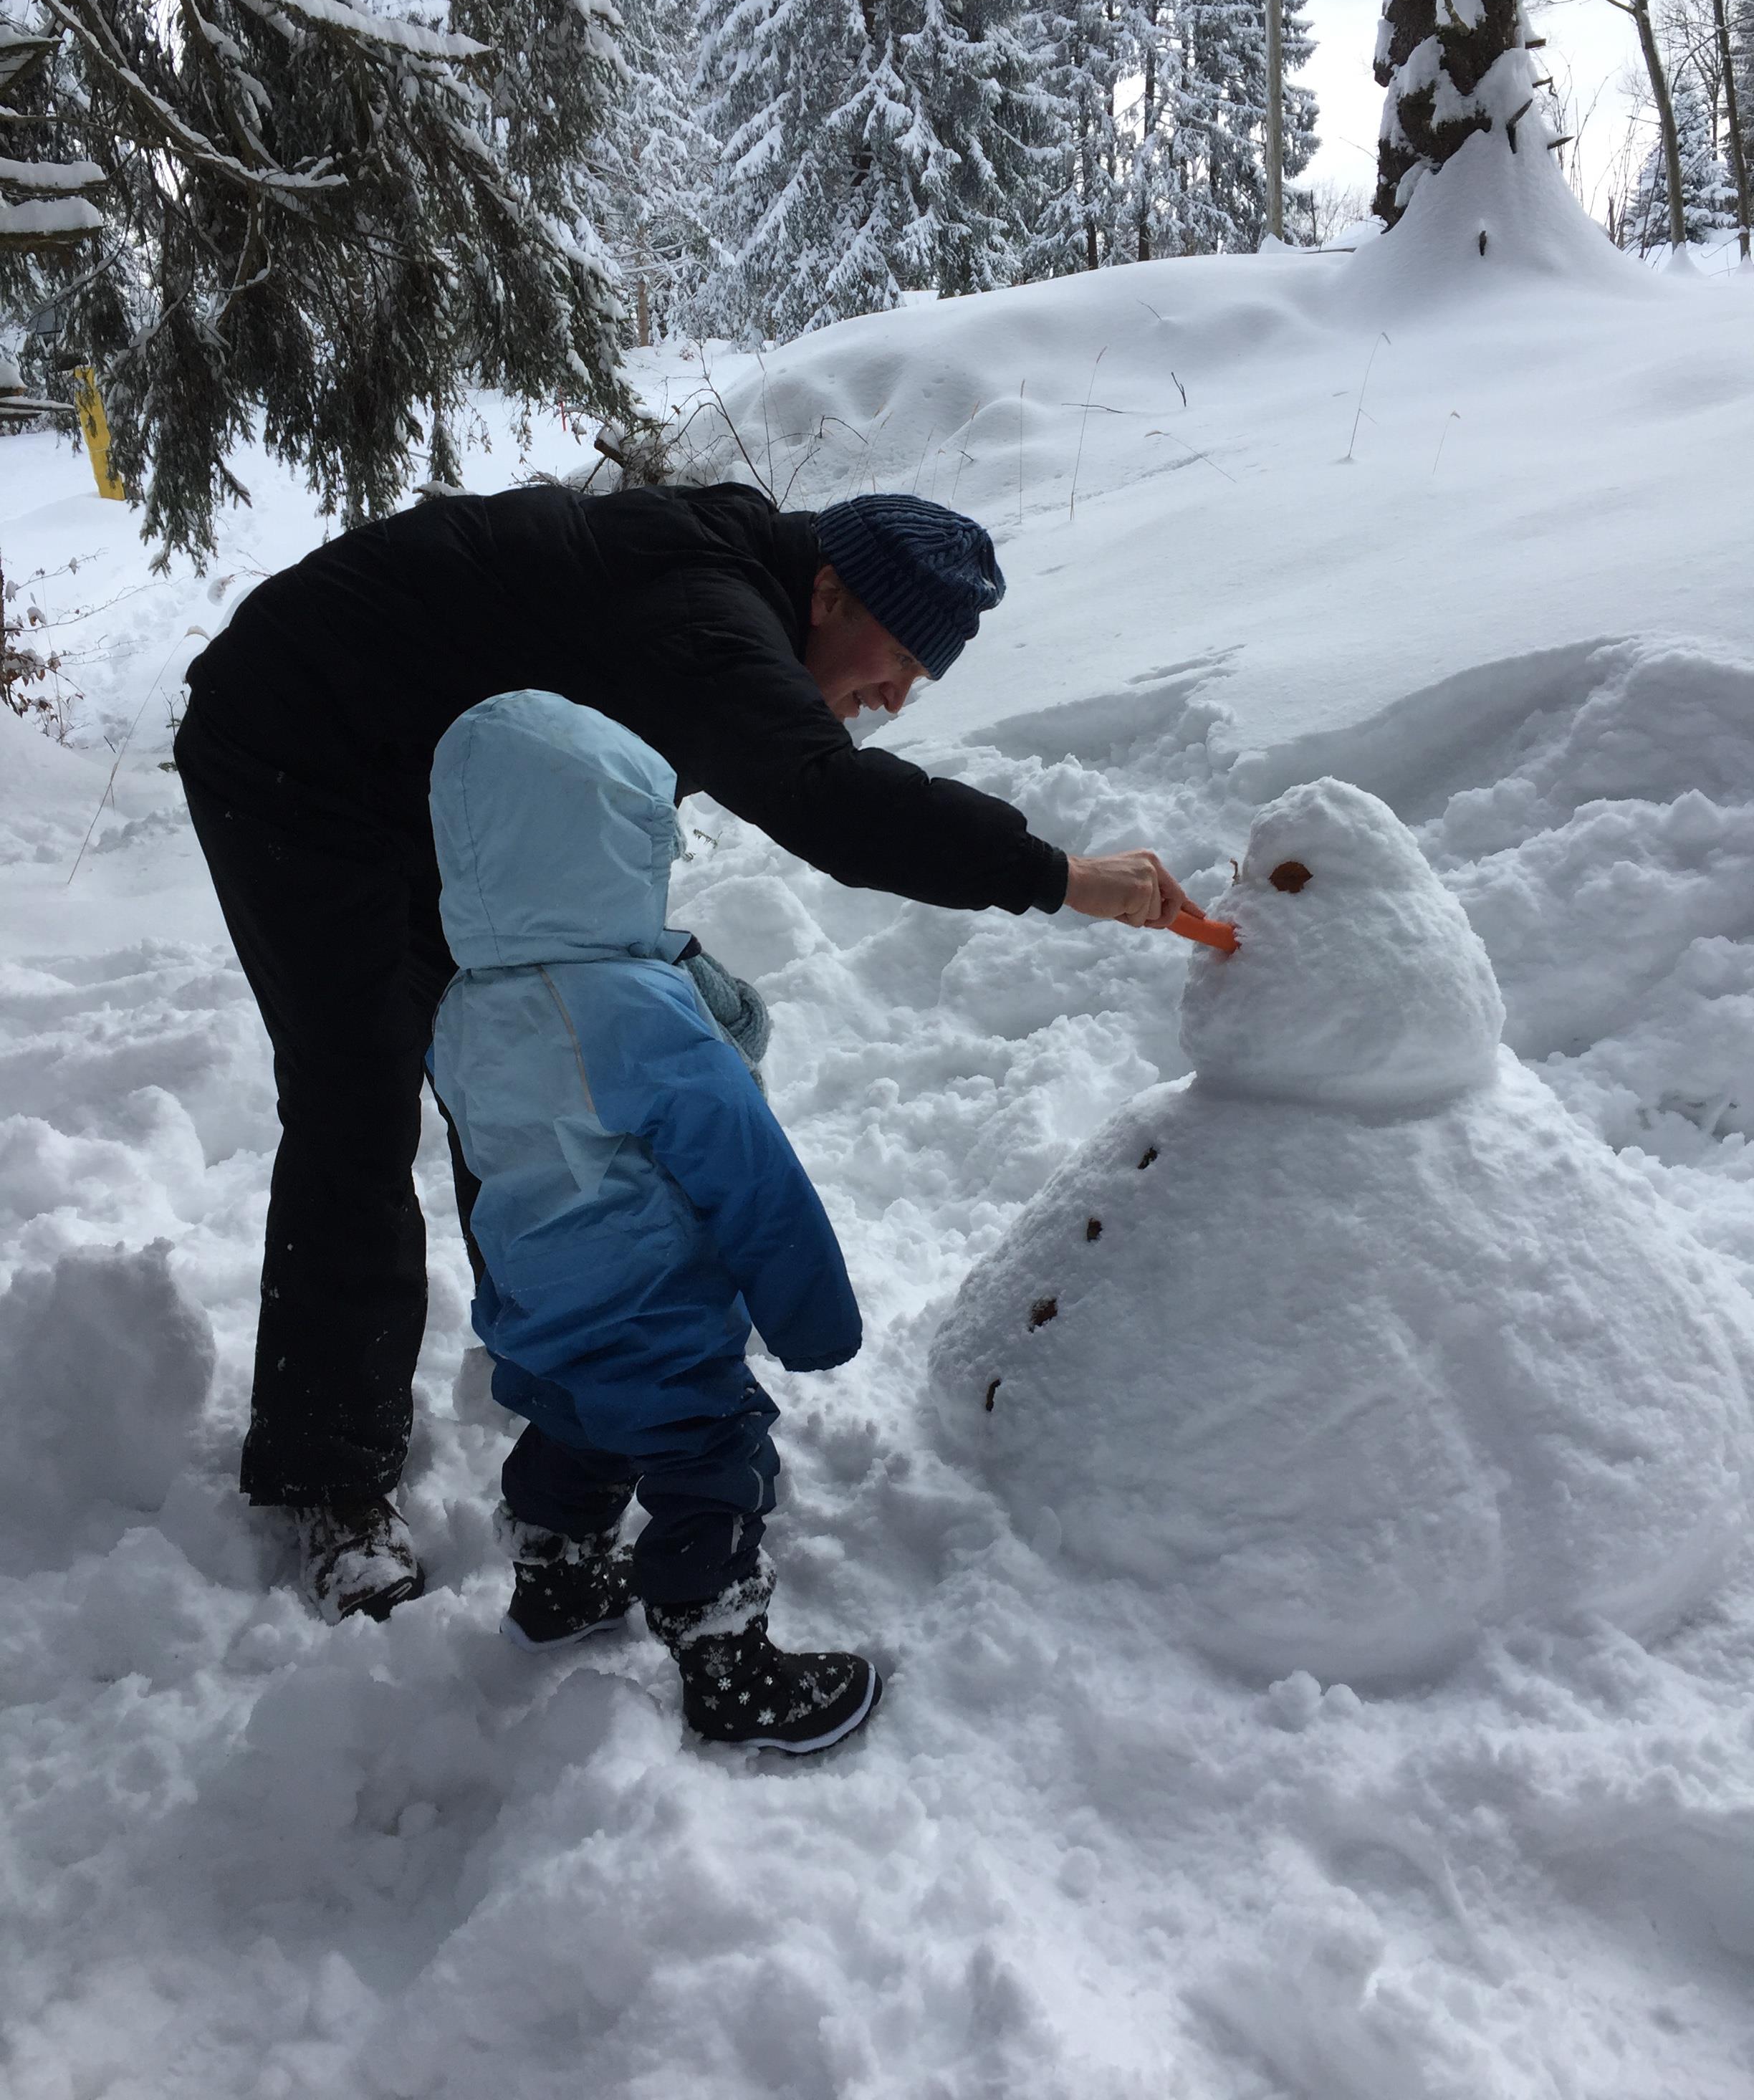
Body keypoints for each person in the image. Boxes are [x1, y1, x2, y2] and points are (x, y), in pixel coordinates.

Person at [176, 481, 1199, 1619]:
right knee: (357, 1098)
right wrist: (1065, 878)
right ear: (826, 590)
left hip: (441, 791)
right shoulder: (710, 612)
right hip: (299, 754)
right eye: (897, 654)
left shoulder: (728, 599)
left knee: (521, 1067)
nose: (896, 696)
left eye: (921, 679)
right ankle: (328, 1478)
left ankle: (561, 1366)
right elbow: (826, 795)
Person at [428, 689, 878, 1753]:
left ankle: (559, 1583)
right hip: (650, 1300)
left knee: (578, 1427)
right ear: (599, 848)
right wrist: (813, 1317)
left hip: (540, 1295)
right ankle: (726, 1667)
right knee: (706, 1452)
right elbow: (745, 1167)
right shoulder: (632, 1007)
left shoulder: (462, 1006)